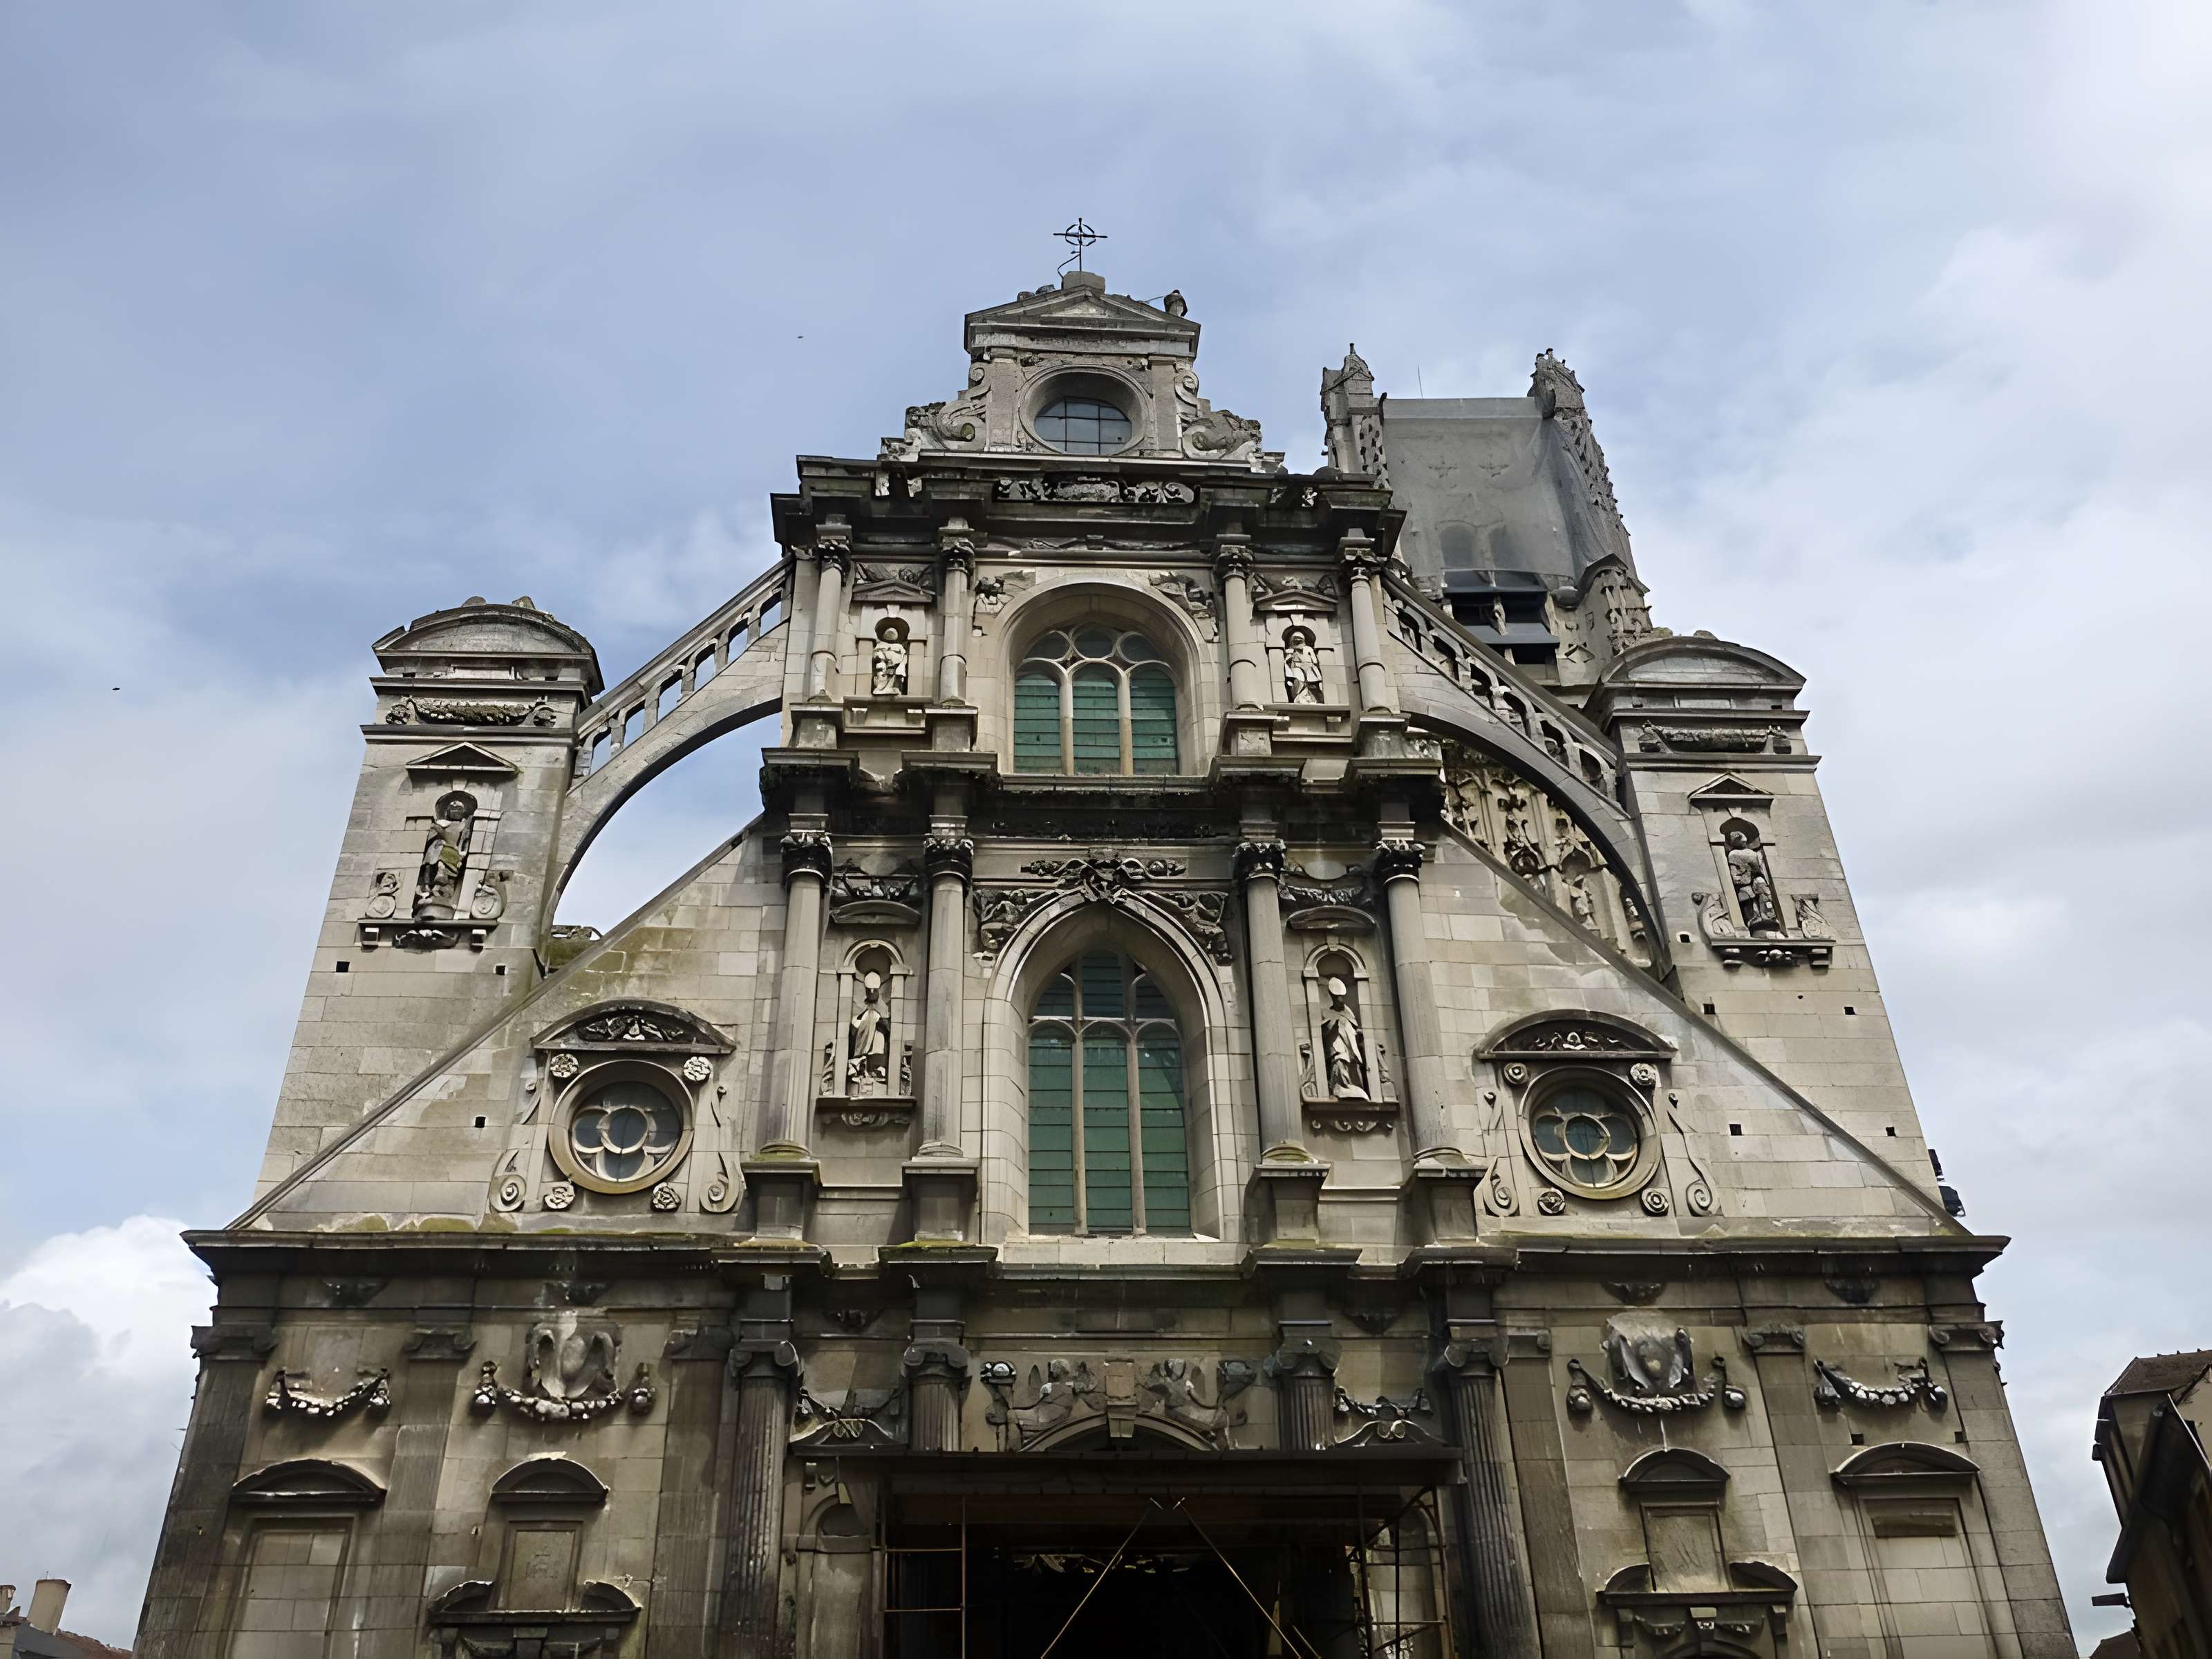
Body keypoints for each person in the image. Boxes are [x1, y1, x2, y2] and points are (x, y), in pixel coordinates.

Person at [414, 792, 475, 919]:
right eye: (452, 809)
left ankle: (441, 873)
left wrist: (462, 851)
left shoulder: (463, 825)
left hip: (454, 852)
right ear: (447, 811)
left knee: (444, 850)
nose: (455, 811)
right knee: (437, 848)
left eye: (459, 809)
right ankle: (429, 883)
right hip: (440, 849)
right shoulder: (442, 823)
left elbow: (464, 842)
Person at [1321, 976, 1370, 1099]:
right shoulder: (1327, 1013)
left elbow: (1353, 1026)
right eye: (1338, 998)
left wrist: (1358, 1032)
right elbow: (1324, 1032)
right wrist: (1333, 1023)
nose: (1341, 1001)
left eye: (1342, 998)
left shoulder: (1348, 1012)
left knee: (1354, 1063)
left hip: (1351, 1046)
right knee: (1340, 1060)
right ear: (1333, 999)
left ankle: (1356, 1086)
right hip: (1338, 1045)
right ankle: (1340, 1086)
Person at [1282, 626, 1324, 704]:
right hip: (1298, 690)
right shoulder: (1289, 656)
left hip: (1310, 689)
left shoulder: (1309, 653)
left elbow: (1314, 663)